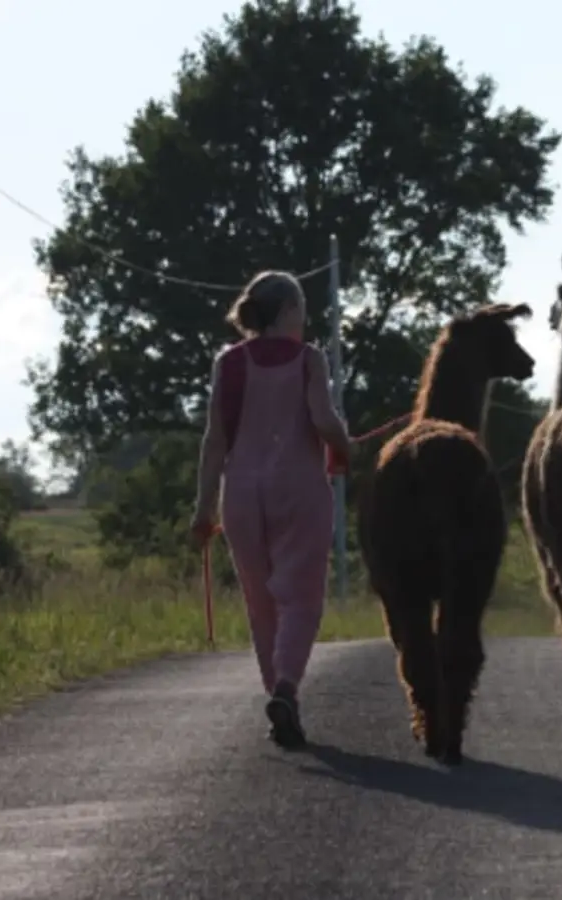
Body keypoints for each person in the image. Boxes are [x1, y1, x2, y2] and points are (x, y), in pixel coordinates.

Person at [189, 270, 352, 749]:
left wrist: (202, 509)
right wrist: (343, 449)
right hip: (300, 490)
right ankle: (285, 688)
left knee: (261, 604)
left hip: (240, 494)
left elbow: (215, 440)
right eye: (301, 307)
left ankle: (278, 695)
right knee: (301, 597)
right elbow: (324, 420)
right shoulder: (309, 359)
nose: (306, 317)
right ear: (287, 311)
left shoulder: (229, 363)